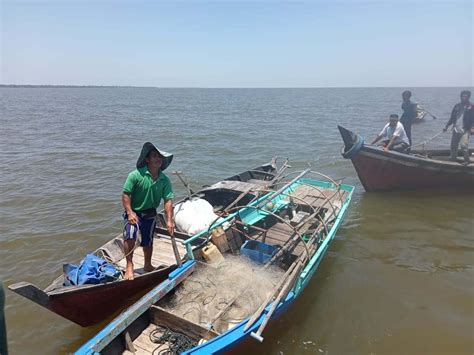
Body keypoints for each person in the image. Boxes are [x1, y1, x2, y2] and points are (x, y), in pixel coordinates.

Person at [121, 142, 175, 280]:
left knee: (148, 240)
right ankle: (129, 265)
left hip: (150, 213)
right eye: (155, 156)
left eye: (160, 157)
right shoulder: (135, 175)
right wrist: (130, 213)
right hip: (134, 212)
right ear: (147, 159)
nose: (158, 159)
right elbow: (126, 194)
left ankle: (147, 265)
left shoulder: (164, 180)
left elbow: (168, 200)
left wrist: (169, 221)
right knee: (130, 235)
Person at [443, 90, 474, 164]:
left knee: (463, 145)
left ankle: (467, 160)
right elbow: (452, 118)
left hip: (465, 129)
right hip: (456, 129)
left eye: (465, 96)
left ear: (468, 97)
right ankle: (453, 159)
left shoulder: (472, 106)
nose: (464, 98)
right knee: (453, 146)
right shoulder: (456, 106)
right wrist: (446, 126)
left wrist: (473, 127)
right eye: (462, 96)